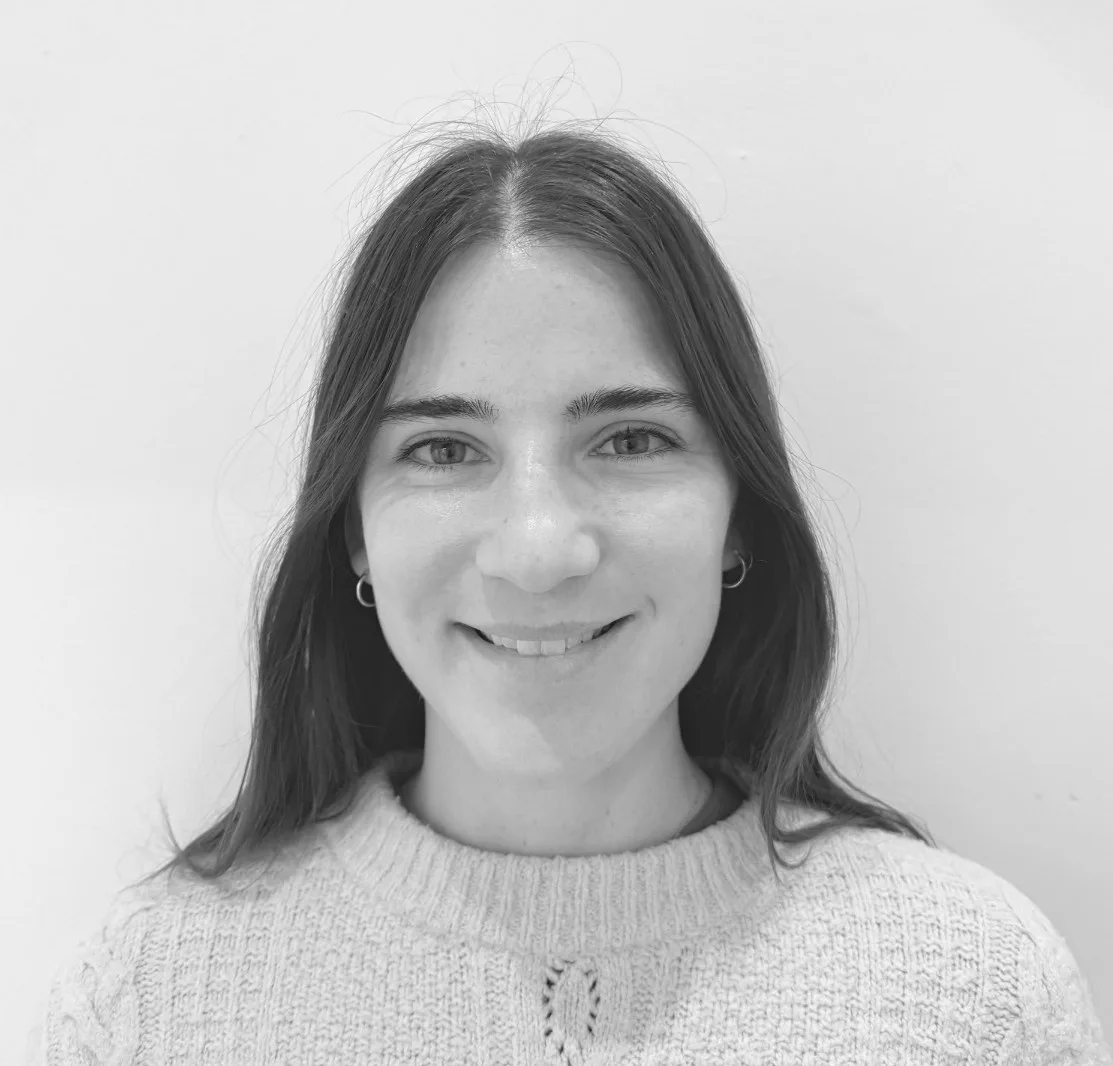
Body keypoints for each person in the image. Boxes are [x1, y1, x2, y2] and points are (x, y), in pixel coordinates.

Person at [28, 115, 1110, 1065]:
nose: (538, 548)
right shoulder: (150, 1005)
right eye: (445, 450)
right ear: (353, 532)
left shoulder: (971, 996)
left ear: (739, 511)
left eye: (630, 438)